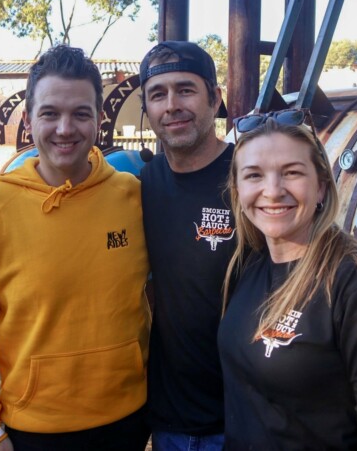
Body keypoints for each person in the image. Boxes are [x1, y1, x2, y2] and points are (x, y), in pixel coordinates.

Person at [0, 45, 151, 451]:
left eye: (80, 113)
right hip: (34, 430)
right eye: (50, 113)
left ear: (97, 120)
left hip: (129, 419)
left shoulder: (132, 196)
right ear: (28, 119)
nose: (65, 128)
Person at [218, 110, 357, 450]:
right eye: (254, 175)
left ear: (321, 188)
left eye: (292, 172)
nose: (272, 191)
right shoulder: (249, 265)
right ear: (238, 190)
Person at [139, 41, 235, 450]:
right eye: (158, 94)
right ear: (147, 111)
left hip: (249, 416)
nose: (171, 105)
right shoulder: (139, 188)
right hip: (172, 420)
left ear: (214, 99)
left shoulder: (252, 180)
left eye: (186, 89)